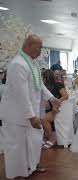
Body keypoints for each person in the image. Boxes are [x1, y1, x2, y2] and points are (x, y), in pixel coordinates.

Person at [0, 35, 61, 179]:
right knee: (16, 145)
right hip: (17, 114)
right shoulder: (18, 64)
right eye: (39, 47)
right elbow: (21, 93)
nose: (41, 50)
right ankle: (16, 173)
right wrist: (31, 116)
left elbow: (39, 86)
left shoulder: (32, 64)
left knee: (33, 141)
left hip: (31, 111)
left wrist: (52, 98)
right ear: (28, 45)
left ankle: (31, 165)